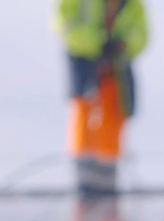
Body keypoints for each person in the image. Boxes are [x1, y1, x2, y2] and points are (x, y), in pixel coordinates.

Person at [56, 0, 148, 196]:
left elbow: (141, 34)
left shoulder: (132, 5)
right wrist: (96, 42)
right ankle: (84, 176)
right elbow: (65, 24)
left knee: (115, 110)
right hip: (84, 59)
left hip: (116, 63)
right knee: (84, 108)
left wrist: (122, 45)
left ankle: (107, 174)